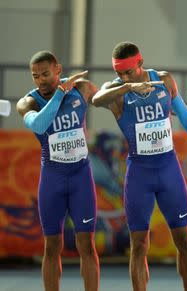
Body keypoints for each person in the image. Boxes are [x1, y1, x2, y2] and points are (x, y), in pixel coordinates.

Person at [91, 41, 187, 291]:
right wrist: (127, 86)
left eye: (129, 71)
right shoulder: (116, 90)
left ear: (140, 63)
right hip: (139, 174)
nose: (123, 77)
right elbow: (96, 100)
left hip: (168, 170)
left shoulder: (163, 80)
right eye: (119, 73)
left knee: (184, 241)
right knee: (139, 244)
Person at [16, 51, 99, 291]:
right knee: (52, 246)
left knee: (87, 245)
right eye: (35, 76)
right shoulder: (28, 102)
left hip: (80, 177)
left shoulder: (80, 89)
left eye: (45, 74)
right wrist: (61, 92)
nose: (41, 80)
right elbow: (40, 124)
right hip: (52, 179)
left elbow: (107, 98)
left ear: (58, 70)